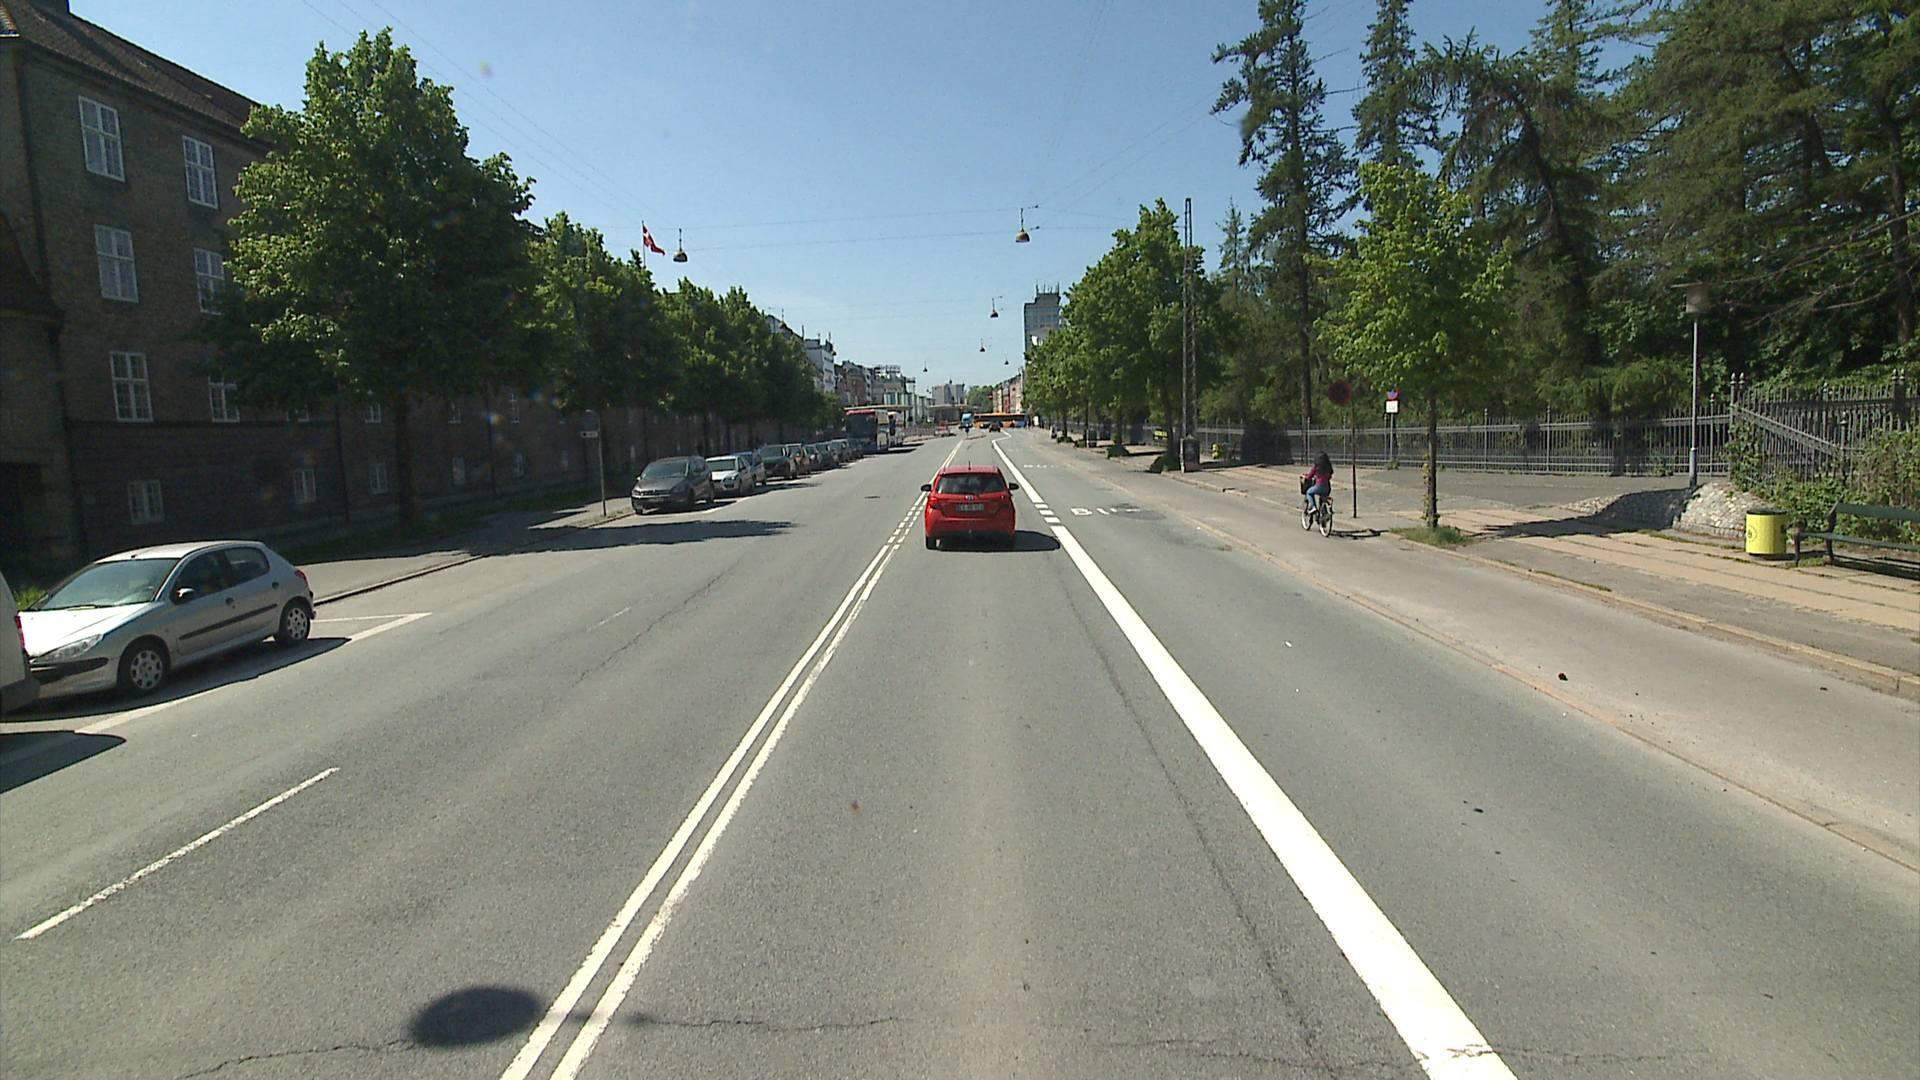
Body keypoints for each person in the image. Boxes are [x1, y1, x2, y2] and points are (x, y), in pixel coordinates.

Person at [1301, 451, 1333, 515]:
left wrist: (1304, 476)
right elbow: (1329, 476)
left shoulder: (1316, 466)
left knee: (1309, 492)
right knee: (1322, 498)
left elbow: (1310, 476)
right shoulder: (1328, 467)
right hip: (1327, 487)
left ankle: (1313, 507)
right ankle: (1324, 513)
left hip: (1319, 486)